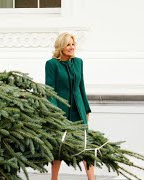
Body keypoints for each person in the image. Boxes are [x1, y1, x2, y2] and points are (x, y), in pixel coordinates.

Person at [45, 32, 95, 180]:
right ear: (61, 46)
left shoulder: (79, 62)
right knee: (59, 148)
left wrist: (86, 109)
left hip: (78, 110)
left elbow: (81, 87)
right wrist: (55, 113)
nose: (71, 47)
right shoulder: (52, 64)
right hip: (60, 110)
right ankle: (54, 178)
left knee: (85, 146)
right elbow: (50, 90)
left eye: (73, 44)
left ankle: (92, 179)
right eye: (68, 44)